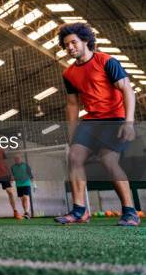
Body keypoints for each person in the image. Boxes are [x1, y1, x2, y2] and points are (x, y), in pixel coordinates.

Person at [55, 23, 139, 226]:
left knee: (108, 160)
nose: (70, 47)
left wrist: (129, 122)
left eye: (74, 42)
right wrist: (72, 133)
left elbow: (127, 90)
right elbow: (72, 104)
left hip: (115, 118)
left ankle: (130, 212)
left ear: (85, 41)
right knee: (74, 157)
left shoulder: (107, 61)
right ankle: (79, 211)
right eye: (66, 45)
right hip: (92, 120)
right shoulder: (69, 73)